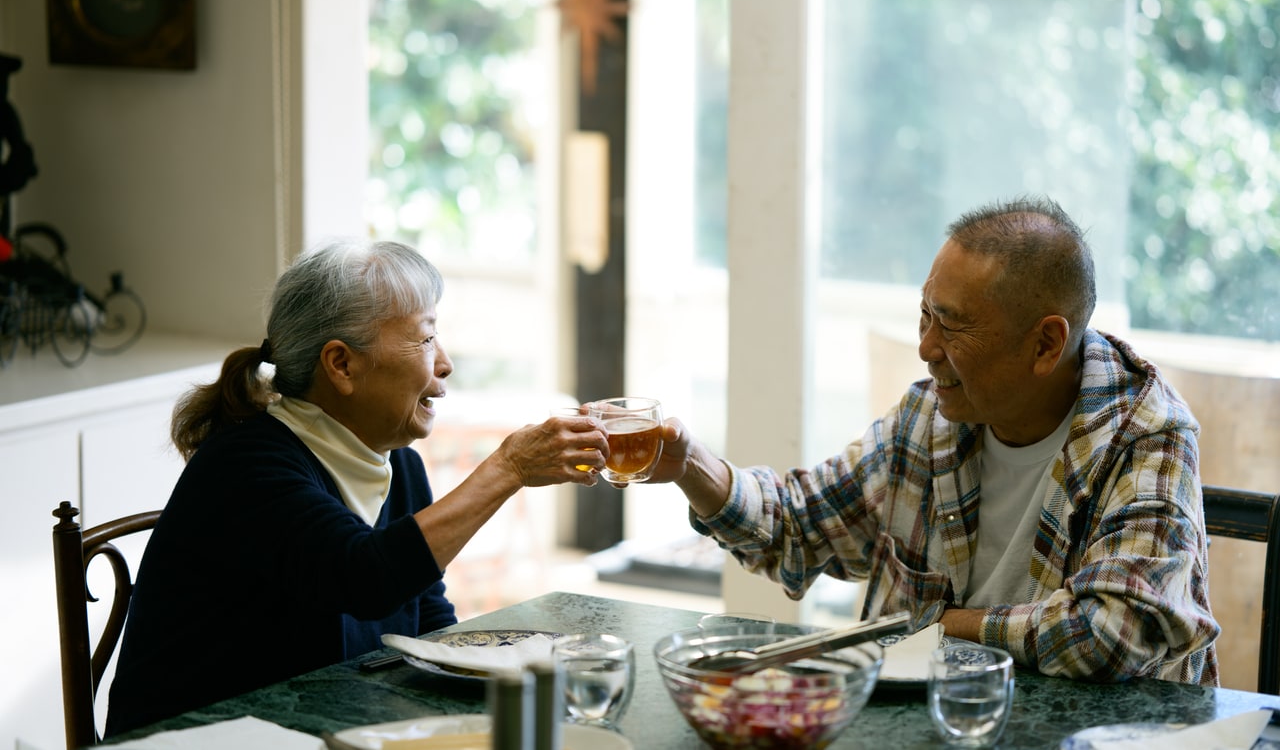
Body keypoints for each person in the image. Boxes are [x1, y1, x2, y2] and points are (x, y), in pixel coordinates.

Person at [648, 196, 1220, 685]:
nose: (926, 347)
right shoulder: (929, 417)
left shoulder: (1148, 436)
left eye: (953, 325)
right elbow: (795, 527)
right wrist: (689, 464)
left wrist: (937, 624)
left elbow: (1112, 633)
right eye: (925, 314)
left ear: (1046, 345)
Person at [105, 239, 606, 735]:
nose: (445, 362)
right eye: (426, 339)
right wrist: (508, 468)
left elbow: (427, 619)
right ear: (341, 364)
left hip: (325, 729)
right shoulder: (247, 465)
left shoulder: (398, 464)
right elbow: (364, 578)